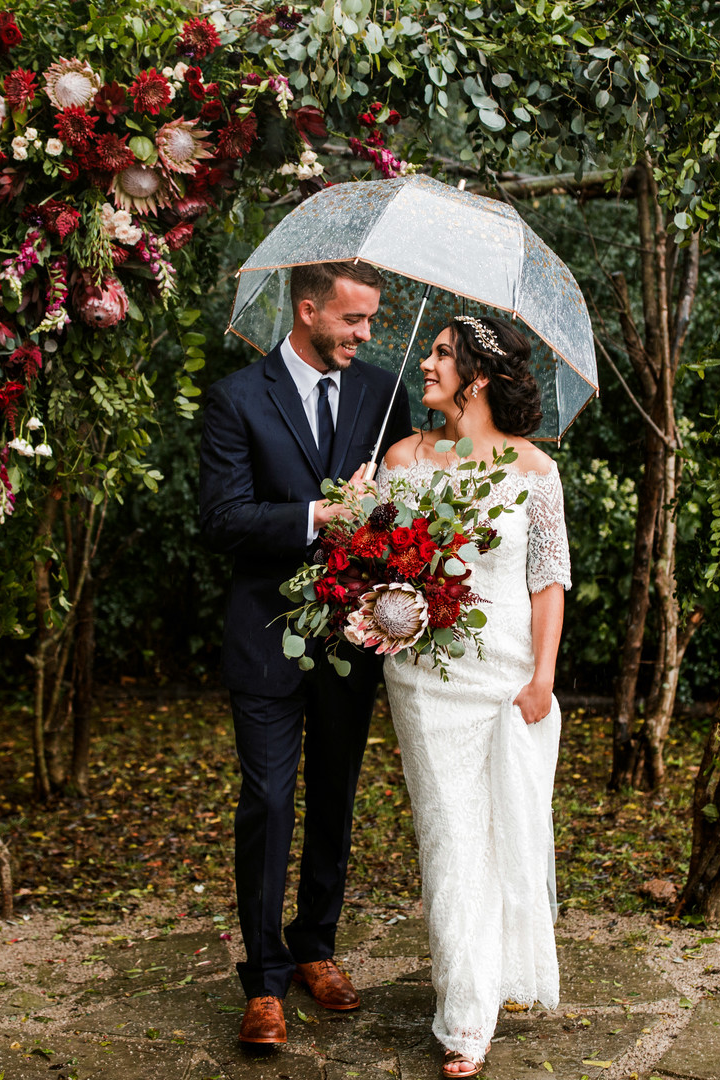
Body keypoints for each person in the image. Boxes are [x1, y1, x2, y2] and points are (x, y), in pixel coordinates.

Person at [197, 260, 414, 1048]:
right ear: (308, 309)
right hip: (264, 636)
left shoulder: (384, 394)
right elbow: (222, 519)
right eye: (353, 320)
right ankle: (262, 980)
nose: (366, 334)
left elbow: (406, 513)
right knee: (268, 802)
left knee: (333, 799)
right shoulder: (235, 398)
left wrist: (382, 513)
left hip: (352, 638)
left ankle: (316, 947)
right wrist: (322, 513)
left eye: (372, 321)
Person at [376, 314, 571, 1079]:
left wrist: (543, 677)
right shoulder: (402, 457)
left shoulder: (534, 470)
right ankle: (466, 1018)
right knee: (452, 833)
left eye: (441, 356)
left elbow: (547, 580)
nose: (425, 365)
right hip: (424, 678)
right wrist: (364, 514)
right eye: (432, 352)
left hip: (508, 678)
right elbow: (380, 566)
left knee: (505, 831)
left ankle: (490, 980)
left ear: (479, 377)